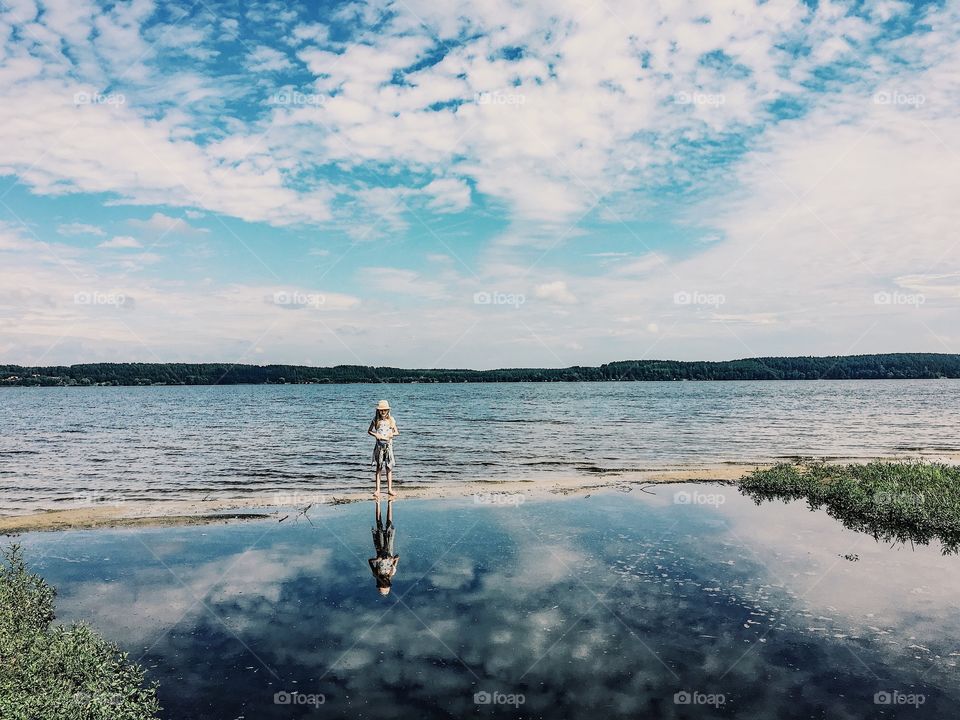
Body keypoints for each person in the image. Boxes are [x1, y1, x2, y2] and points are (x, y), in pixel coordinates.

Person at [368, 400, 399, 497]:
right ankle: (377, 490)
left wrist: (391, 434)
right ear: (378, 411)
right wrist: (375, 434)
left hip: (388, 447)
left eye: (385, 410)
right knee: (379, 467)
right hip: (379, 447)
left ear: (388, 410)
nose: (383, 412)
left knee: (389, 468)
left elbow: (397, 432)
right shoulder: (375, 420)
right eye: (381, 410)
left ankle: (390, 489)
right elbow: (369, 431)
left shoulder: (391, 420)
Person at [368, 498, 399, 595]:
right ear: (389, 582)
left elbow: (370, 561)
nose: (384, 582)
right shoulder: (392, 572)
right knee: (389, 525)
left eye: (382, 584)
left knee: (379, 525)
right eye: (386, 584)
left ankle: (377, 504)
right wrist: (392, 558)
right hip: (389, 548)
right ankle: (390, 504)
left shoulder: (375, 573)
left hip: (380, 549)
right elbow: (397, 558)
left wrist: (377, 560)